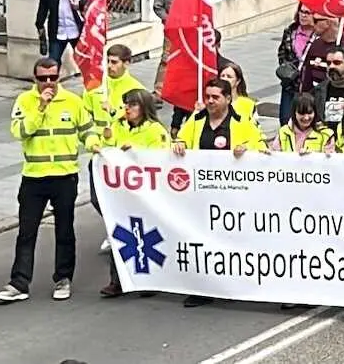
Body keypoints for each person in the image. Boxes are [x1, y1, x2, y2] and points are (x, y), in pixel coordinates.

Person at [0, 57, 100, 304]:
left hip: (64, 176)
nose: (49, 83)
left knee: (65, 230)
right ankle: (19, 282)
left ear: (60, 76)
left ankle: (63, 278)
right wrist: (40, 108)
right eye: (43, 79)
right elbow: (19, 132)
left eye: (53, 77)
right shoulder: (25, 101)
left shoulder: (73, 102)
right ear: (35, 79)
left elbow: (87, 130)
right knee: (26, 232)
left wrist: (95, 144)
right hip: (34, 177)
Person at [173, 78, 267, 307]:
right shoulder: (196, 120)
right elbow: (180, 139)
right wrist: (179, 144)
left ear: (227, 98)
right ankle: (202, 288)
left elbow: (262, 148)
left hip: (231, 195)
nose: (210, 101)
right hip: (201, 194)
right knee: (201, 240)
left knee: (232, 240)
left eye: (215, 97)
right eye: (208, 96)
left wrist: (247, 150)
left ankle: (234, 284)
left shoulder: (241, 122)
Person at [98, 89, 171, 298]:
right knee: (119, 232)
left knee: (147, 235)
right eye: (125, 104)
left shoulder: (155, 130)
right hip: (120, 191)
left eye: (132, 105)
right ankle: (117, 280)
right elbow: (106, 153)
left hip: (146, 193)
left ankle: (149, 280)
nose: (127, 109)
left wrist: (136, 150)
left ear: (143, 107)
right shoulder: (118, 126)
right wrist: (107, 138)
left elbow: (160, 158)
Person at [81, 44, 145, 253]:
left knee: (123, 198)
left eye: (115, 62)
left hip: (122, 155)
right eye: (108, 61)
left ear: (127, 63)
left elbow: (138, 119)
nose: (109, 66)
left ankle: (120, 232)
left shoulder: (135, 88)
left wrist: (114, 111)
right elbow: (85, 117)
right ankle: (114, 226)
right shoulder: (96, 85)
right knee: (97, 197)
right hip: (100, 153)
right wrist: (91, 141)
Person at [153, 0, 184, 99]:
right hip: (172, 28)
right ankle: (158, 92)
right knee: (167, 59)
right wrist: (168, 20)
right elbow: (157, 6)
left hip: (190, 26)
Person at [277, 4, 316, 125]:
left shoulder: (318, 35)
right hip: (290, 84)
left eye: (307, 13)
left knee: (305, 120)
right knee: (285, 119)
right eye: (301, 11)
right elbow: (282, 52)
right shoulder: (290, 31)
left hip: (308, 87)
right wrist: (287, 67)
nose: (303, 15)